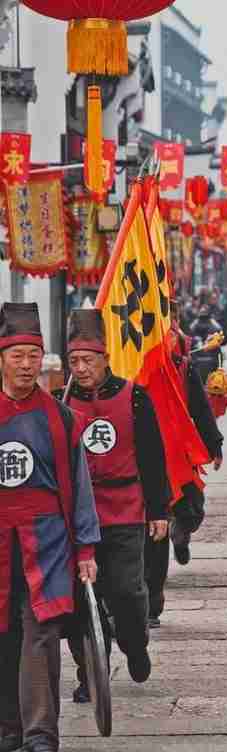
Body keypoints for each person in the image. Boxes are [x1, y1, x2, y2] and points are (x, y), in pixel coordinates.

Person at [0, 303, 100, 752]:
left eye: (33, 356)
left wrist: (86, 551)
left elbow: (79, 488)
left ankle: (41, 735)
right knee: (5, 634)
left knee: (41, 634)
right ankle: (9, 729)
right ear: (2, 359)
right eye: (17, 355)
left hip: (48, 541)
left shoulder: (61, 418)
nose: (26, 365)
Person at [60, 309, 170, 703]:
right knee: (79, 602)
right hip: (77, 519)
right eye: (74, 361)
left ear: (106, 358)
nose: (82, 368)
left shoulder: (134, 397)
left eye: (88, 360)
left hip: (125, 509)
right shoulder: (61, 403)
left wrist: (159, 509)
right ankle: (92, 672)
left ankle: (135, 643)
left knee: (126, 590)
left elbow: (152, 456)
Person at [144, 303, 224, 627]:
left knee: (190, 510)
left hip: (177, 451)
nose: (171, 327)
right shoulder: (132, 361)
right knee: (148, 529)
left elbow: (199, 404)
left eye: (173, 319)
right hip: (140, 457)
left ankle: (180, 535)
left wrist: (213, 442)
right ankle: (148, 603)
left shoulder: (182, 361)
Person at [190, 304, 223, 384]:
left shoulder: (214, 325)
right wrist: (197, 340)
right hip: (198, 356)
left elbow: (220, 336)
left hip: (211, 356)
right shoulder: (194, 324)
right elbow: (190, 335)